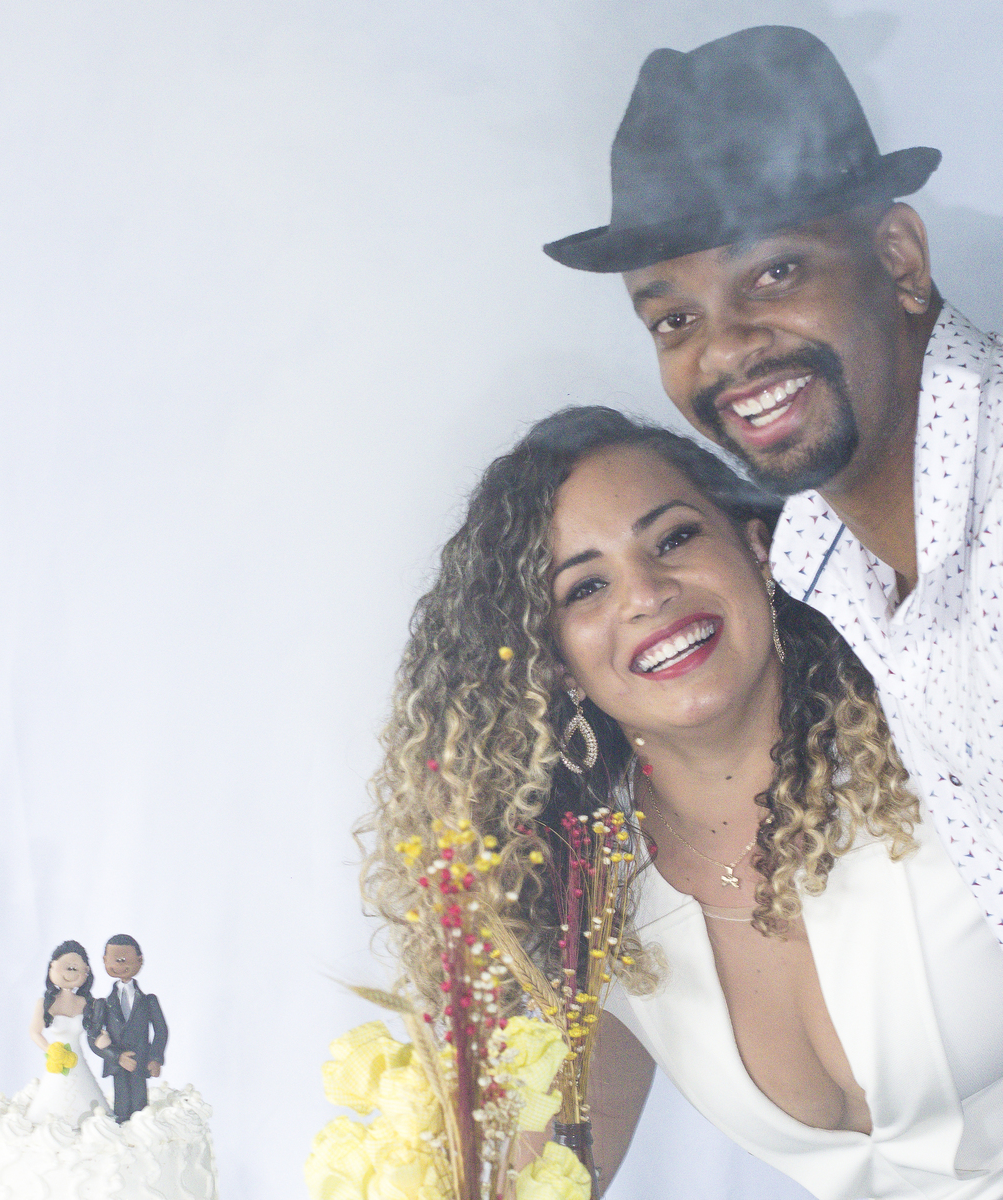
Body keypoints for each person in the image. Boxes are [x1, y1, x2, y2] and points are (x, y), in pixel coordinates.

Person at [361, 406, 1003, 1199]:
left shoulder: (946, 735)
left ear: (757, 548)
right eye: (586, 586)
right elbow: (532, 1183)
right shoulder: (590, 899)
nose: (646, 594)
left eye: (674, 540)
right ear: (554, 663)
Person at [542, 25, 1003, 941]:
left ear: (899, 258)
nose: (722, 349)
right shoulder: (815, 557)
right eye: (674, 320)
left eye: (774, 273)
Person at [25, 939, 109, 1125]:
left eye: (77, 969)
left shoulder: (87, 1003)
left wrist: (103, 1036)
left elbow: (96, 1030)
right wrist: (50, 1050)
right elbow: (35, 1032)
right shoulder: (45, 1003)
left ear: (86, 972)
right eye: (68, 968)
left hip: (77, 1058)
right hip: (57, 1059)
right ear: (52, 967)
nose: (72, 973)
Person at [90, 934, 168, 1123]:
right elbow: (92, 1038)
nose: (120, 963)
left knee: (141, 1109)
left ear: (140, 960)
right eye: (115, 959)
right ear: (104, 960)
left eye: (125, 959)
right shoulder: (104, 1004)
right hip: (118, 1065)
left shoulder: (149, 1001)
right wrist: (116, 1056)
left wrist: (155, 1058)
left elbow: (161, 1030)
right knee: (122, 1107)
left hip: (141, 1062)